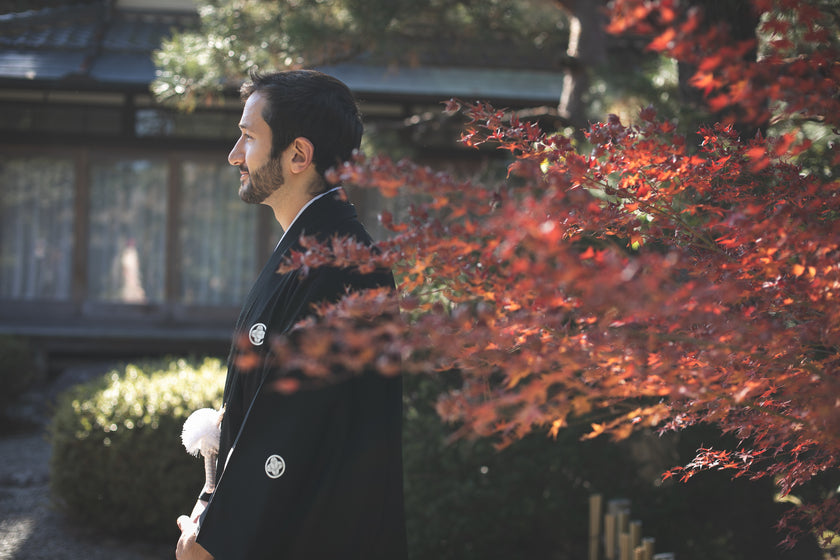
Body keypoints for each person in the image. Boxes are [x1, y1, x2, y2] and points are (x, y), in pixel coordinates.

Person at [175, 69, 407, 560]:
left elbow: (293, 429)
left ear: (298, 155)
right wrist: (209, 505)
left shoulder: (343, 267)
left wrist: (216, 542)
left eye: (248, 137)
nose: (234, 155)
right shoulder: (311, 251)